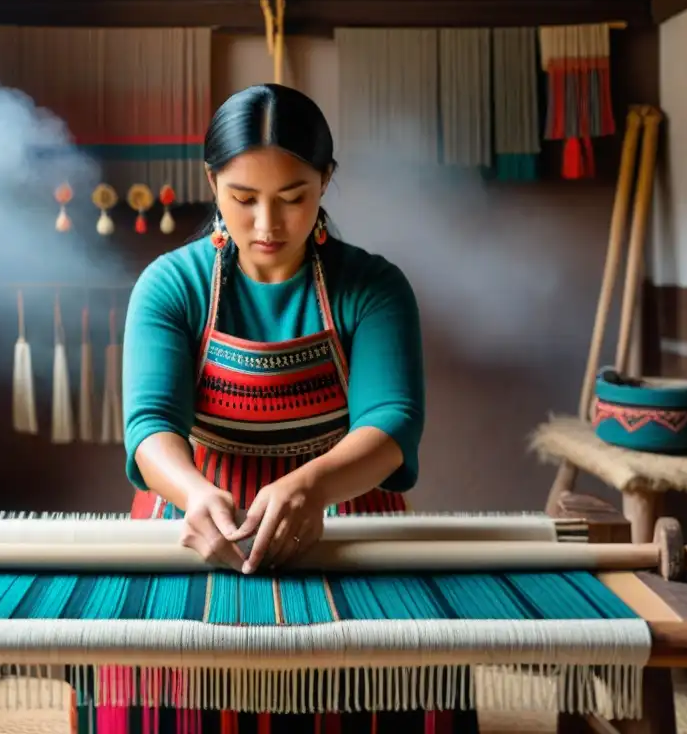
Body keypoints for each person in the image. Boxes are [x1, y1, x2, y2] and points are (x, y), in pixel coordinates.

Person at [119, 84, 474, 733]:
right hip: (200, 519)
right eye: (242, 198)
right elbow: (149, 428)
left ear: (326, 182)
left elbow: (393, 422)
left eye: (294, 199)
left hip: (343, 507)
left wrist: (312, 486)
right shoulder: (171, 285)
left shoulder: (373, 287)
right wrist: (195, 493)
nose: (266, 226)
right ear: (211, 181)